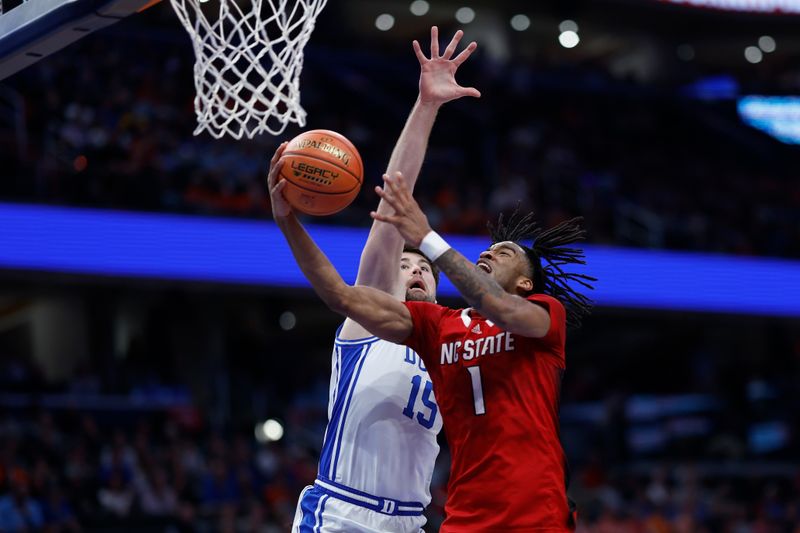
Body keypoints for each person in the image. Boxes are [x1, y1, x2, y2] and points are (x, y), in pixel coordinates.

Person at [269, 167, 594, 529]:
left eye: (503, 253)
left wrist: (427, 238)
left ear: (525, 282)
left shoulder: (545, 315)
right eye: (487, 250)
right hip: (464, 515)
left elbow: (501, 307)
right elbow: (340, 295)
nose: (488, 253)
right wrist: (287, 222)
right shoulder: (439, 326)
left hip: (535, 509)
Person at [289, 27, 480, 533]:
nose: (417, 269)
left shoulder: (450, 348)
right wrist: (426, 107)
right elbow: (394, 203)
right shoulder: (370, 321)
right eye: (405, 265)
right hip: (342, 513)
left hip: (412, 522)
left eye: (426, 269)